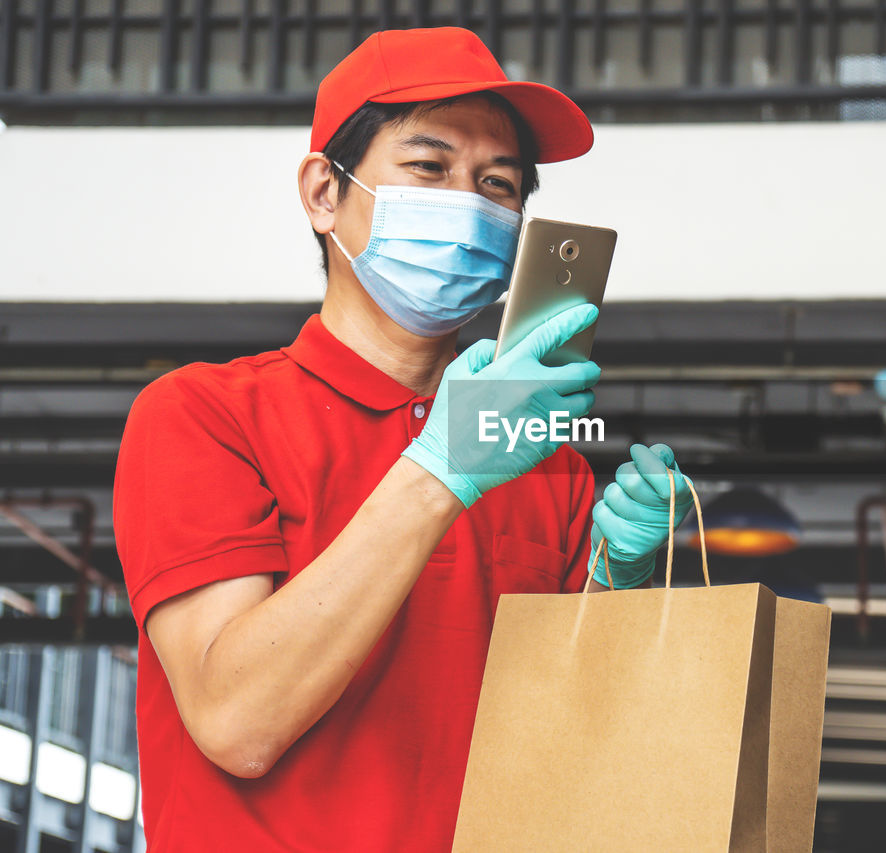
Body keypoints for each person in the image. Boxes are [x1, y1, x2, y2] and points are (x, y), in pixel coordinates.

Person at [114, 27, 693, 851]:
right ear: (323, 193)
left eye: (497, 185)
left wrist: (618, 585)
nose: (468, 204)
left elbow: (571, 742)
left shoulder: (545, 463)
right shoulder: (202, 415)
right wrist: (441, 470)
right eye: (429, 168)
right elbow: (236, 720)